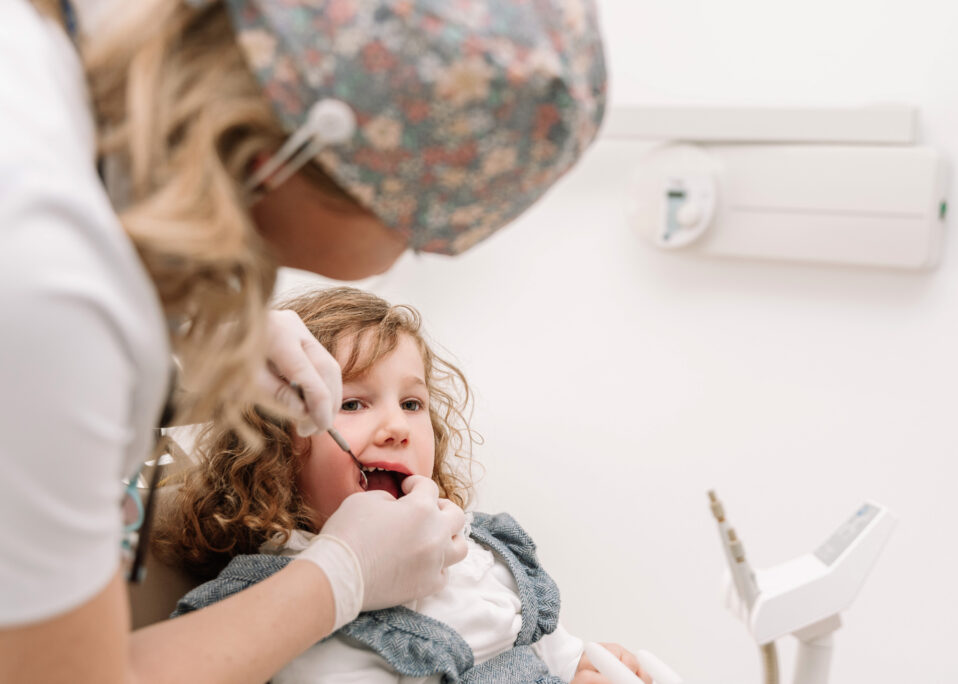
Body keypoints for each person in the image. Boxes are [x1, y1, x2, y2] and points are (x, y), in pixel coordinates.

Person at [0, 0, 607, 681]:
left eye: (413, 404)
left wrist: (171, 382)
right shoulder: (42, 275)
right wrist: (339, 578)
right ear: (305, 150)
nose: (410, 258)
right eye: (418, 227)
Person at [157, 286, 652, 684]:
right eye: (352, 404)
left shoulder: (484, 557)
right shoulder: (276, 602)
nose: (397, 426)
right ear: (272, 450)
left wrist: (585, 668)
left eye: (412, 404)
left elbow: (551, 650)